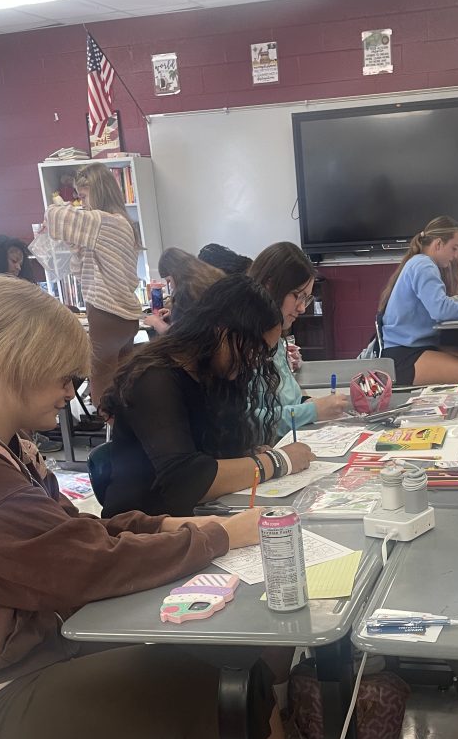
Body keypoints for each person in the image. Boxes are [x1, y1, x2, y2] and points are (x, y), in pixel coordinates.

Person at [0, 275, 373, 739]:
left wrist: (165, 525)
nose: (72, 392)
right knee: (198, 691)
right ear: (18, 363)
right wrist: (219, 536)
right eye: (65, 376)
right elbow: (87, 568)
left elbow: (72, 534)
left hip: (35, 659)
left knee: (226, 663)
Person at [100, 274, 316, 519]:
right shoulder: (154, 379)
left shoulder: (217, 374)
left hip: (197, 518)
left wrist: (247, 456)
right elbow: (186, 480)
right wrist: (278, 461)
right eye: (254, 349)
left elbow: (215, 453)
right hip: (144, 530)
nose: (256, 361)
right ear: (222, 333)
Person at [45, 162, 142, 405]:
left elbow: (54, 215)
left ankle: (112, 433)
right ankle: (123, 435)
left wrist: (63, 202)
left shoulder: (103, 221)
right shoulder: (123, 223)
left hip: (106, 313)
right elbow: (81, 266)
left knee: (102, 387)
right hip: (125, 316)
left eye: (84, 196)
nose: (81, 203)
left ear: (97, 191)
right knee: (122, 386)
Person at [248, 242, 349, 435]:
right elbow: (250, 424)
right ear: (269, 286)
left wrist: (310, 404)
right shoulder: (243, 345)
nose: (302, 308)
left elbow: (289, 399)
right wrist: (312, 411)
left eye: (307, 299)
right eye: (298, 296)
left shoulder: (276, 338)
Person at [377, 216, 458, 385]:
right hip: (405, 355)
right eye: (454, 248)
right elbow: (441, 310)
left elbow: (440, 302)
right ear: (438, 244)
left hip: (415, 347)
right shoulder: (424, 265)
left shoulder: (420, 263)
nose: (455, 256)